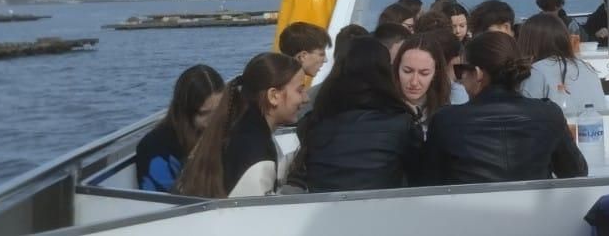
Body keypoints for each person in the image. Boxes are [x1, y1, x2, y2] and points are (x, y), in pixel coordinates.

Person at [426, 32, 588, 184]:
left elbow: (430, 183)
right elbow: (576, 173)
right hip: (536, 212)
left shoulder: (445, 121)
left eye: (461, 70)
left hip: (470, 212)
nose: (460, 78)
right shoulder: (548, 115)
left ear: (478, 73)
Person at [290, 41, 424, 192]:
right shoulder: (402, 123)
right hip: (383, 208)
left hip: (325, 209)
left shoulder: (313, 122)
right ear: (386, 73)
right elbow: (419, 174)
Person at [176, 53, 307, 198]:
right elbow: (256, 213)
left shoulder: (235, 128)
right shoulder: (256, 148)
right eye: (300, 90)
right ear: (273, 96)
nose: (306, 98)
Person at [136, 64, 225, 193]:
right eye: (203, 113)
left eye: (217, 112)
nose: (212, 122)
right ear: (184, 112)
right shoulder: (154, 147)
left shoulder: (226, 131)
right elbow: (165, 201)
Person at [516, 14, 606, 111]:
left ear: (528, 42)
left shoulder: (536, 71)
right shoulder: (587, 68)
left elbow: (526, 114)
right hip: (596, 124)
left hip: (559, 125)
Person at [394, 33, 452, 138]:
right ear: (397, 69)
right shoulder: (380, 109)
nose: (414, 82)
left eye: (424, 73)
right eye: (407, 71)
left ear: (435, 73)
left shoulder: (447, 112)